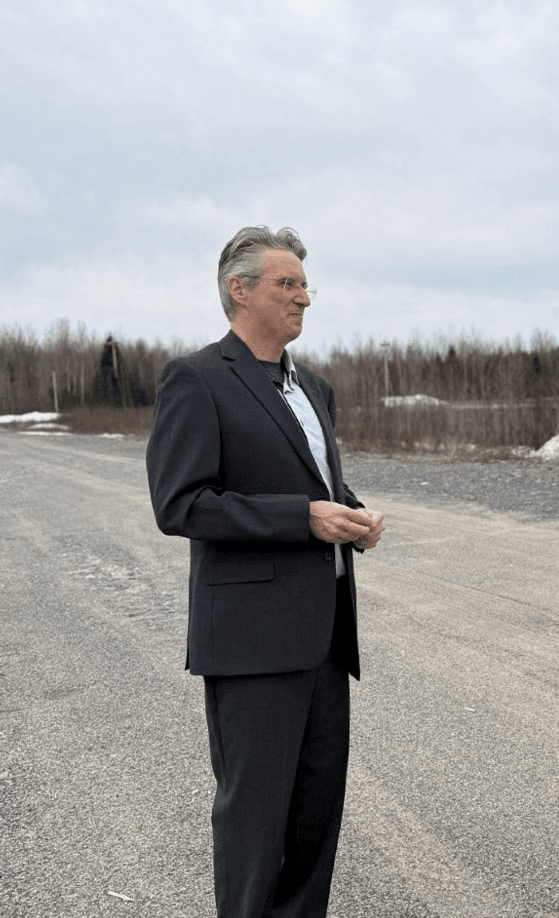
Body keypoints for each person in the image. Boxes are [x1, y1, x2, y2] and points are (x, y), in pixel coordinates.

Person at [146, 226, 384, 918]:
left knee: (314, 822)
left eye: (305, 285)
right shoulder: (195, 379)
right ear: (238, 289)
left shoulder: (313, 387)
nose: (304, 298)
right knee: (254, 826)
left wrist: (353, 517)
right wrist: (301, 518)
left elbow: (317, 486)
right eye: (288, 284)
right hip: (251, 643)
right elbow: (181, 503)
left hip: (325, 639)